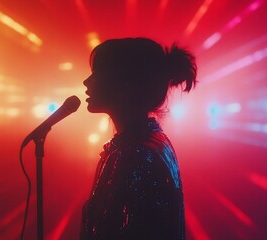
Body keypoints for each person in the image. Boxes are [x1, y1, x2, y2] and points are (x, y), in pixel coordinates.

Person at [80, 38, 197, 240]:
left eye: (97, 74)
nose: (87, 82)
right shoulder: (152, 142)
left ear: (125, 86)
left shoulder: (133, 155)